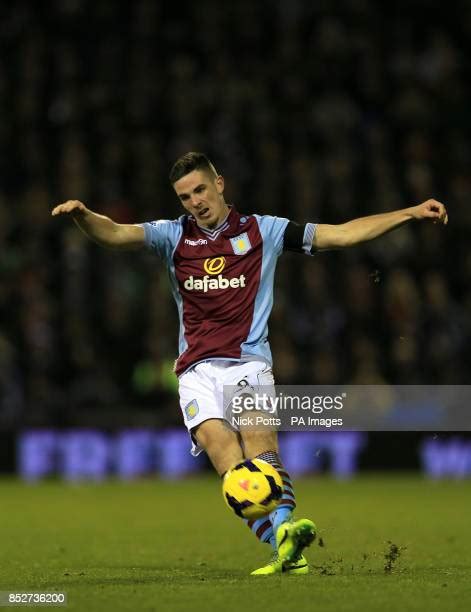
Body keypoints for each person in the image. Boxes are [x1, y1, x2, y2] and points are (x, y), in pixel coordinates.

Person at [51, 151, 448, 575]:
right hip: (195, 372)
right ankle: (284, 544)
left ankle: (286, 541)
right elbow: (115, 235)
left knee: (261, 451)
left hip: (247, 363)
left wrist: (408, 213)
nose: (195, 202)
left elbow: (342, 234)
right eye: (185, 197)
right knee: (230, 468)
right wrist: (83, 215)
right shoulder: (172, 236)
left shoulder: (265, 230)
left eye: (200, 190)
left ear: (219, 184)